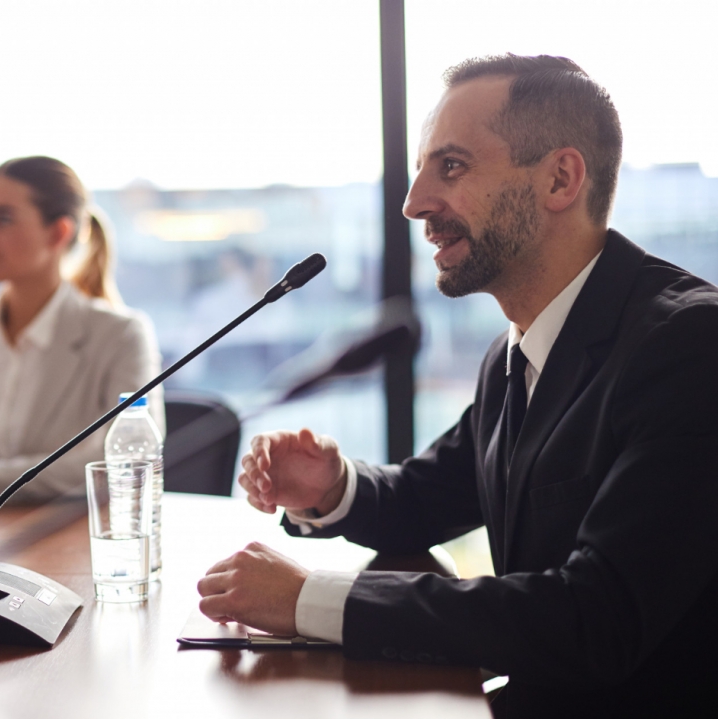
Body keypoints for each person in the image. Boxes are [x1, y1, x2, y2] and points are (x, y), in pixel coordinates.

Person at [196, 54, 718, 717]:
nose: (414, 203)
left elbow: (596, 617)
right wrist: (333, 487)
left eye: (451, 166)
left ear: (560, 178)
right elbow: (425, 495)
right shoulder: (516, 349)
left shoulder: (690, 345)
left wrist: (309, 599)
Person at [0, 156, 164, 502]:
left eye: (3, 219)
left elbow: (130, 460)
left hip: (66, 541)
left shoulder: (121, 335)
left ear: (59, 232)